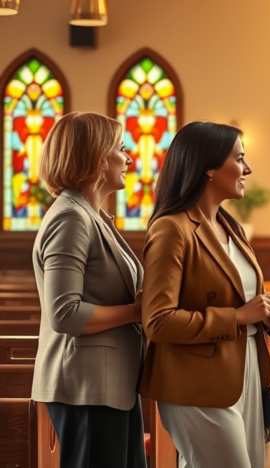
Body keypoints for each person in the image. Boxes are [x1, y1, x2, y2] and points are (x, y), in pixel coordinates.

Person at [138, 121, 270, 468]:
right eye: (239, 158)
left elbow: (239, 299)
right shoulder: (171, 229)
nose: (247, 169)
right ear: (209, 166)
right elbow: (157, 322)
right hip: (196, 382)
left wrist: (265, 313)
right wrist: (238, 317)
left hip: (244, 372)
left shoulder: (230, 227)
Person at [32, 112, 145, 468]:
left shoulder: (92, 216)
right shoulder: (71, 217)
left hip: (109, 384)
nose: (128, 159)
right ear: (97, 157)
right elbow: (65, 313)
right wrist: (136, 312)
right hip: (86, 386)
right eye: (121, 149)